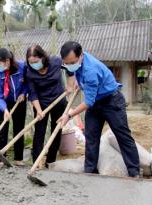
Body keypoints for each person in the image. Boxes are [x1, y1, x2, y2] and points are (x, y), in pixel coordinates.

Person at [58, 41, 140, 177]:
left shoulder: (91, 69)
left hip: (111, 101)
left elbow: (88, 102)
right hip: (96, 103)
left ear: (81, 56)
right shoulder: (75, 63)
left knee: (123, 136)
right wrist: (79, 82)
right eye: (67, 63)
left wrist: (69, 115)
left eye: (73, 62)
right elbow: (73, 71)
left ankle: (134, 172)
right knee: (91, 137)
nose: (70, 66)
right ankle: (90, 172)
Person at [25, 45, 74, 167]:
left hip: (59, 99)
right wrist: (39, 111)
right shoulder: (29, 71)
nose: (33, 64)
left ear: (42, 57)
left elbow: (70, 69)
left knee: (56, 129)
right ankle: (36, 162)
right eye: (31, 62)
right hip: (41, 103)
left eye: (36, 62)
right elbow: (32, 93)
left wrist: (69, 85)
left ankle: (51, 161)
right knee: (39, 132)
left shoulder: (56, 62)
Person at [0, 48, 28, 166]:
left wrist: (24, 93)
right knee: (2, 128)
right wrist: (5, 109)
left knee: (19, 128)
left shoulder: (22, 67)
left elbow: (28, 82)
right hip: (2, 103)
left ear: (7, 61)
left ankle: (18, 158)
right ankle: (1, 157)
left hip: (19, 101)